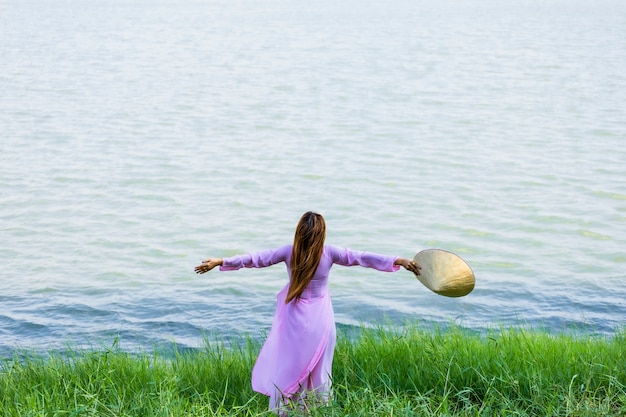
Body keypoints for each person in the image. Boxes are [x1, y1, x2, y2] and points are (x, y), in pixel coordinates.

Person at [194, 211, 420, 413]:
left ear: (299, 232)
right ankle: (316, 409)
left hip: (294, 317)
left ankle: (287, 408)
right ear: (322, 234)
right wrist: (397, 260)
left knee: (290, 363)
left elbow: (256, 259)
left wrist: (221, 261)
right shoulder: (330, 252)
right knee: (319, 367)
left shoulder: (288, 251)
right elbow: (362, 257)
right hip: (321, 317)